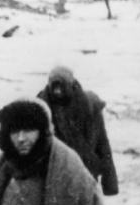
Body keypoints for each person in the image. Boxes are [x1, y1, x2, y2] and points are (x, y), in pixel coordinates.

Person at [37, 66, 119, 197]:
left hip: (86, 173)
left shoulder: (89, 105)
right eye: (54, 86)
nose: (57, 92)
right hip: (54, 176)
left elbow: (103, 144)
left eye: (61, 86)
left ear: (71, 84)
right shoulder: (41, 107)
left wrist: (110, 184)